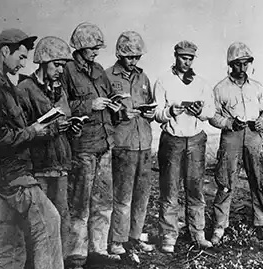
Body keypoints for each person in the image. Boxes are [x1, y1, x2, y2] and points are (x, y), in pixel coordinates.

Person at [0, 29, 64, 269]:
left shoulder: (4, 84)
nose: (24, 62)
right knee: (50, 222)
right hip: (11, 173)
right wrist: (33, 131)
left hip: (3, 176)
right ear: (5, 51)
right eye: (21, 57)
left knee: (9, 237)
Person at [61, 22, 121, 268]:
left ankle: (99, 249)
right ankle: (76, 254)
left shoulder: (98, 70)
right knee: (79, 202)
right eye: (94, 47)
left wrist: (115, 107)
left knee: (103, 201)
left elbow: (106, 99)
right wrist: (88, 106)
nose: (97, 52)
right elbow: (60, 107)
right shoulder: (66, 70)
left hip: (105, 144)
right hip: (83, 146)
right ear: (82, 46)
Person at [17, 36, 82, 263]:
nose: (60, 70)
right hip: (39, 166)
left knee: (62, 218)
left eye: (63, 65)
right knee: (40, 222)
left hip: (60, 164)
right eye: (56, 64)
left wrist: (72, 128)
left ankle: (59, 263)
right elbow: (22, 132)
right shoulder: (25, 89)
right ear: (43, 62)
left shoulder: (60, 90)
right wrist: (53, 128)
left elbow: (64, 119)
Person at [209, 42, 263, 245]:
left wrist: (262, 122)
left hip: (254, 136)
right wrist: (229, 123)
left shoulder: (256, 88)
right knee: (225, 183)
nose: (242, 68)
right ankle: (219, 227)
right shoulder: (220, 88)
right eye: (238, 64)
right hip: (231, 137)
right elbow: (212, 115)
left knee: (260, 180)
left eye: (246, 63)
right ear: (231, 64)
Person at [154, 40, 215, 253]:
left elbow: (210, 112)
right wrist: (171, 111)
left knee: (195, 189)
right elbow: (156, 113)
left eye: (190, 59)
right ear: (176, 56)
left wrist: (199, 110)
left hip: (196, 139)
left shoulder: (201, 83)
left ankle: (197, 233)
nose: (187, 62)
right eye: (183, 58)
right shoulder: (163, 81)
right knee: (170, 189)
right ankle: (168, 236)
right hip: (172, 139)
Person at [105, 31, 155, 256]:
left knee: (142, 195)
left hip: (144, 143)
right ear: (119, 55)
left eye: (137, 57)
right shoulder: (107, 77)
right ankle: (117, 240)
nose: (134, 61)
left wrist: (151, 113)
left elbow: (150, 105)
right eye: (129, 57)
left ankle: (135, 237)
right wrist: (120, 116)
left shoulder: (143, 78)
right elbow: (104, 115)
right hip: (123, 144)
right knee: (123, 196)